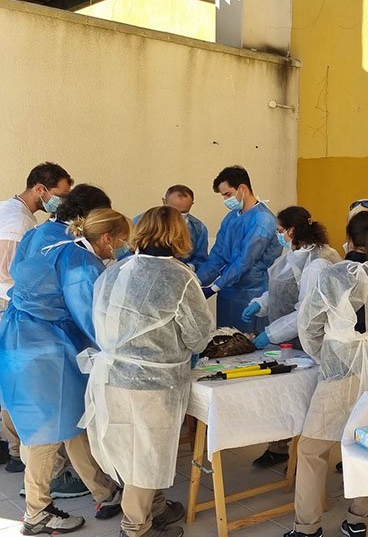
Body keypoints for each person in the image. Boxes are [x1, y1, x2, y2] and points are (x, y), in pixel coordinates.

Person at [83, 206, 214, 537]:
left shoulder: (113, 272)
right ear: (179, 234)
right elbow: (198, 336)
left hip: (112, 377)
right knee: (146, 456)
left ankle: (154, 507)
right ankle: (136, 528)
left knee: (132, 451)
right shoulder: (180, 277)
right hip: (153, 384)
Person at [0, 205, 129, 535]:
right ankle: (37, 512)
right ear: (107, 238)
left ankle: (104, 491)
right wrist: (122, 352)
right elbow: (92, 320)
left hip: (24, 337)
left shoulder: (54, 241)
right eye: (122, 241)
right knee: (46, 430)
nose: (122, 248)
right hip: (43, 349)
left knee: (72, 418)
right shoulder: (82, 265)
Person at [287, 211, 368, 537]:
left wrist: (326, 354)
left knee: (312, 450)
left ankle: (307, 527)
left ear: (349, 239)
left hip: (340, 370)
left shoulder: (332, 276)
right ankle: (357, 518)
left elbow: (309, 325)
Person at [244, 207, 341, 469]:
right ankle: (279, 446)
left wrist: (270, 334)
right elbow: (281, 289)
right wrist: (260, 303)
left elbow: (306, 313)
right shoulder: (294, 253)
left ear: (292, 230)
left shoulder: (318, 262)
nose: (278, 235)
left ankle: (302, 456)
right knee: (284, 397)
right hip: (289, 341)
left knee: (304, 400)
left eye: (280, 230)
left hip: (309, 343)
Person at [0, 162, 72, 473]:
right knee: (25, 388)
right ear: (40, 189)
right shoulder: (18, 222)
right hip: (11, 308)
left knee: (12, 385)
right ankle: (26, 456)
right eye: (60, 194)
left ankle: (18, 452)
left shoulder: (12, 212)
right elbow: (9, 274)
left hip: (12, 309)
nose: (62, 202)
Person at [197, 166, 281, 332]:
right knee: (225, 340)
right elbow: (218, 254)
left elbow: (245, 260)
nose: (225, 200)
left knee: (248, 343)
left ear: (242, 188)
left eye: (228, 194)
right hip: (227, 293)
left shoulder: (263, 220)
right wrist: (196, 281)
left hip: (251, 294)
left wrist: (214, 287)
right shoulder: (231, 217)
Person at [133, 185, 208, 271]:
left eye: (184, 212)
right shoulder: (141, 222)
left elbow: (200, 260)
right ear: (164, 201)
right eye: (173, 211)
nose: (177, 217)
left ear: (191, 205)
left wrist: (187, 269)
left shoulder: (198, 228)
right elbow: (128, 255)